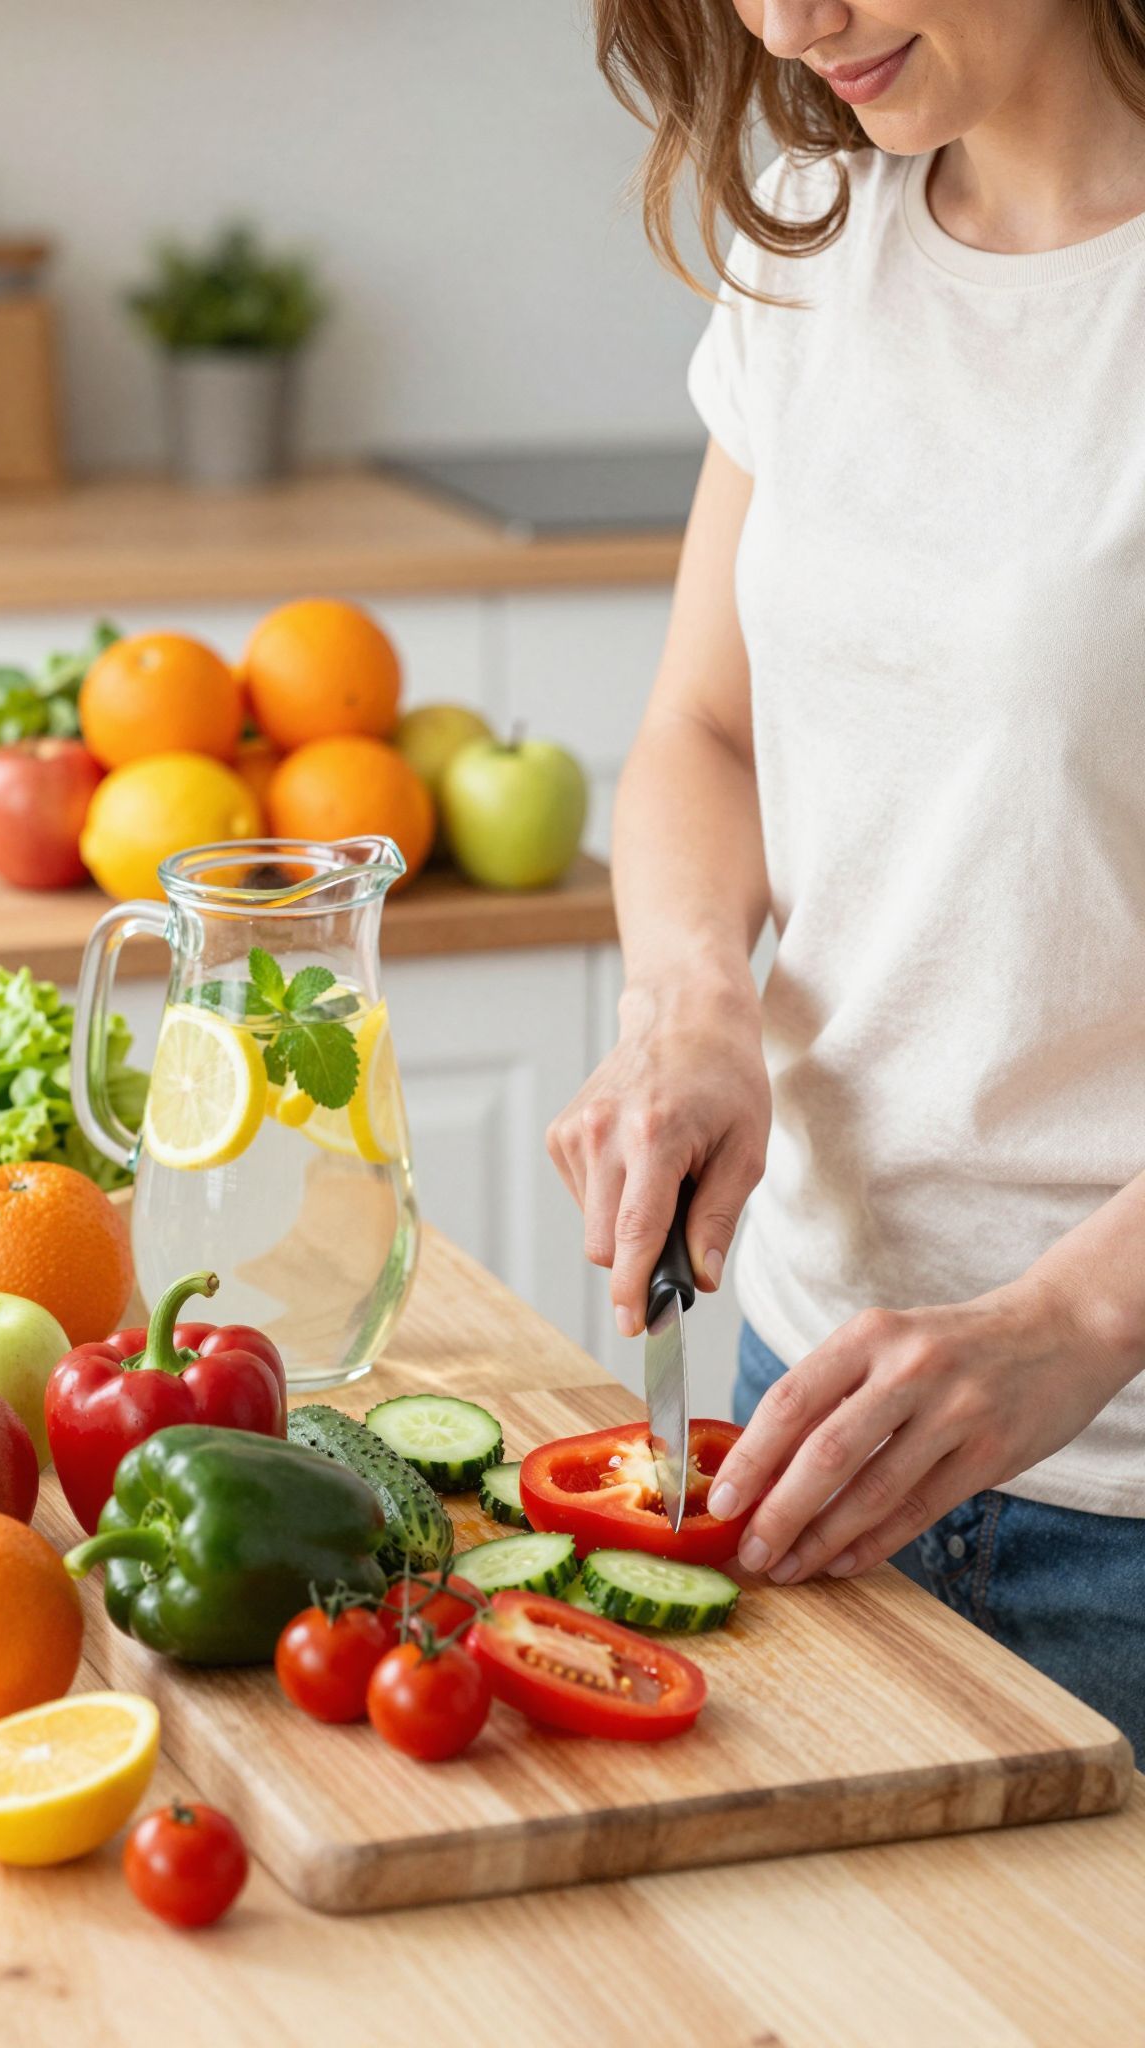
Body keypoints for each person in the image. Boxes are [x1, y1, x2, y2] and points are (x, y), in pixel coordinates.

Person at [548, 0, 1145, 1755]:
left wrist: (1075, 1317)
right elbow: (704, 733)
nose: (790, 23)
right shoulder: (815, 230)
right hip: (800, 1420)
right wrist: (691, 1006)